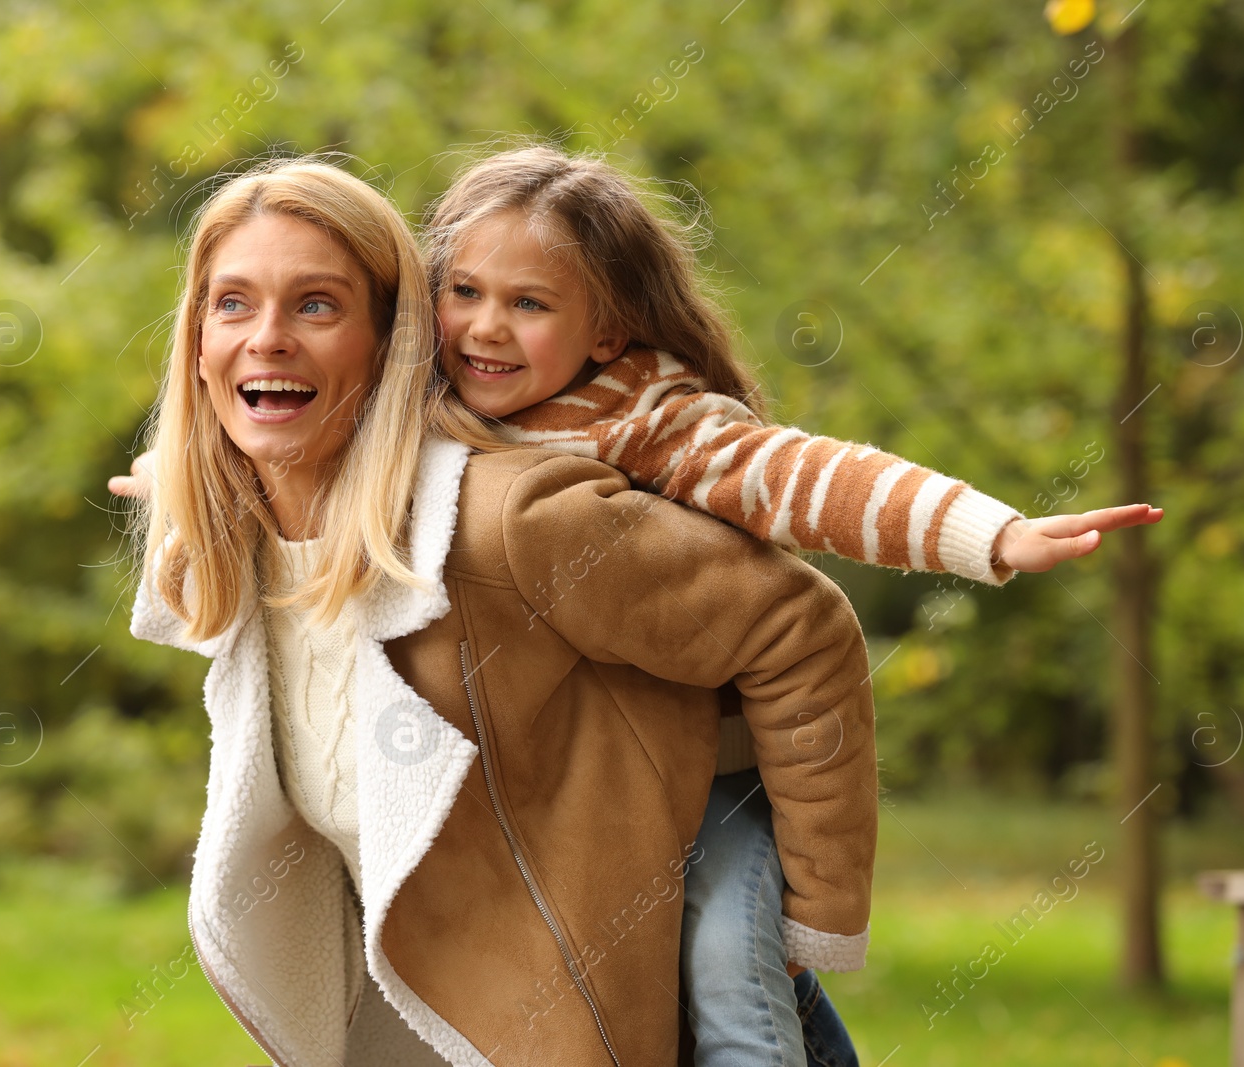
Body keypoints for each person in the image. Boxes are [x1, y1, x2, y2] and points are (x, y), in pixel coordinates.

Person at [415, 145, 1164, 1067]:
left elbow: (803, 475)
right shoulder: (420, 411)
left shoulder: (648, 415)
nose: (485, 327)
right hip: (577, 788)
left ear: (607, 331)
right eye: (465, 292)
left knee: (732, 975)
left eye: (528, 304)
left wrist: (991, 533)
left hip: (720, 786)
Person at [125, 156, 879, 1066]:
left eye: (316, 305)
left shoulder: (505, 521)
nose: (267, 337)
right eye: (232, 303)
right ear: (197, 342)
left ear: (394, 338)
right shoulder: (241, 554)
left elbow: (799, 626)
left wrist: (813, 914)